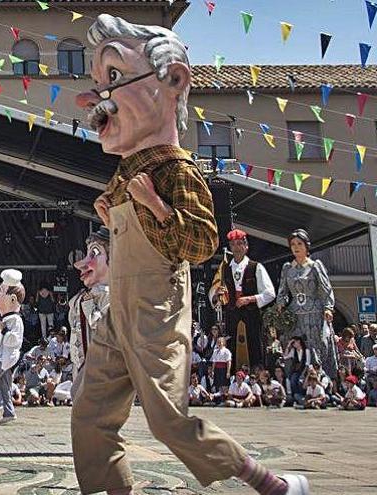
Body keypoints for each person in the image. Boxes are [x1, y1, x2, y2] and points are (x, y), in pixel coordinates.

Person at [72, 15, 309, 495]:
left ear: (173, 80)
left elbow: (201, 244)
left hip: (157, 307)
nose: (99, 98)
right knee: (91, 413)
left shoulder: (175, 168)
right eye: (98, 82)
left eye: (113, 78)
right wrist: (114, 206)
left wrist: (155, 205)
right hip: (119, 310)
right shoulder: (131, 167)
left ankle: (273, 485)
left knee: (169, 420)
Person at [209, 229, 276, 370]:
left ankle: (256, 376)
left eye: (240, 244)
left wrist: (250, 299)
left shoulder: (256, 267)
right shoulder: (224, 268)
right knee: (231, 346)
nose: (237, 248)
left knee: (254, 345)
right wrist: (217, 295)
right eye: (233, 244)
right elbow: (214, 298)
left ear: (246, 246)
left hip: (251, 314)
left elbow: (270, 293)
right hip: (232, 314)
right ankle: (233, 377)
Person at [277, 229, 338, 379]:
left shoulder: (315, 266)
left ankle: (321, 380)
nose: (296, 247)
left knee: (315, 345)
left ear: (306, 246)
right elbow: (283, 291)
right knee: (294, 346)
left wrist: (328, 307)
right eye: (293, 244)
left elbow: (326, 289)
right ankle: (294, 381)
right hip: (295, 313)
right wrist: (280, 304)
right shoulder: (287, 268)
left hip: (314, 312)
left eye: (299, 243)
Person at [69, 227, 111, 398]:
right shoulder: (82, 296)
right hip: (81, 362)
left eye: (94, 254)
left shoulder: (111, 295)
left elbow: (105, 328)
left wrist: (89, 306)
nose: (82, 263)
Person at [0, 269, 26, 425]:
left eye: (0, 295)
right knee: (4, 385)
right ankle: (9, 412)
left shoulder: (15, 320)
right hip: (3, 356)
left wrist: (4, 329)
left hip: (7, 358)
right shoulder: (8, 318)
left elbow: (14, 340)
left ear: (13, 300)